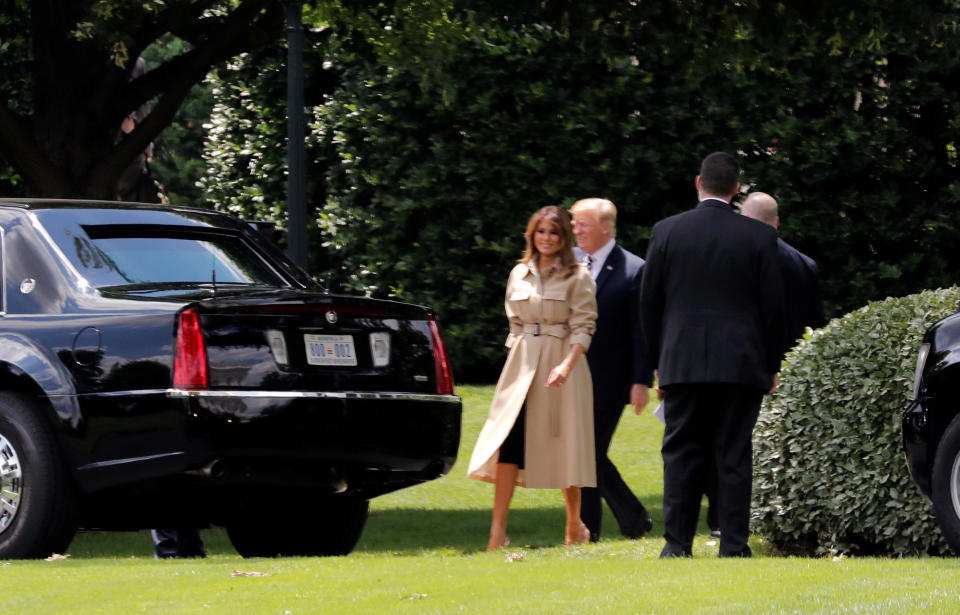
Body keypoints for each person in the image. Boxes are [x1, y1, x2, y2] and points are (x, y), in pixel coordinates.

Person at [639, 152, 784, 558]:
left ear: (697, 182)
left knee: (681, 451)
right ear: (737, 190)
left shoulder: (667, 231)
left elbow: (650, 302)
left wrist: (656, 362)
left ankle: (676, 544)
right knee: (734, 452)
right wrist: (771, 363)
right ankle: (734, 544)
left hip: (681, 361)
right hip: (741, 363)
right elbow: (772, 308)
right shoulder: (758, 237)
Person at [468, 205, 598, 551]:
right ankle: (497, 534)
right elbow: (514, 325)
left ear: (564, 237)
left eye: (553, 232)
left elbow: (584, 327)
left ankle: (574, 523)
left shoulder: (578, 276)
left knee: (564, 444)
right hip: (522, 366)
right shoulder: (518, 273)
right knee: (509, 443)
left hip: (561, 365)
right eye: (541, 231)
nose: (546, 238)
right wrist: (514, 367)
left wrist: (566, 366)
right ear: (532, 234)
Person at [569, 198, 654, 541]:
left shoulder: (634, 269)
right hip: (570, 375)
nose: (576, 230)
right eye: (574, 223)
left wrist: (640, 380)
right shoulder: (569, 262)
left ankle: (611, 522)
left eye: (583, 224)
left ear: (606, 228)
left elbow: (641, 331)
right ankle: (614, 523)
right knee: (584, 454)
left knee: (586, 452)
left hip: (609, 380)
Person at [740, 192, 825, 351]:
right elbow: (816, 324)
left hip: (748, 361)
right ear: (777, 221)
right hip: (792, 363)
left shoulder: (735, 259)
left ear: (744, 219)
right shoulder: (805, 264)